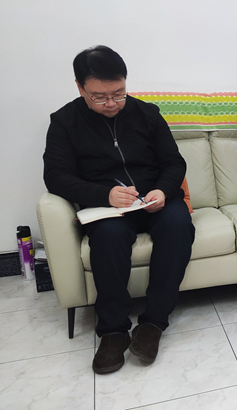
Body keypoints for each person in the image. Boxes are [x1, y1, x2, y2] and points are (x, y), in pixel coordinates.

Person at [43, 46, 195, 373]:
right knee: (109, 238)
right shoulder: (65, 122)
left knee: (179, 225)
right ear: (80, 87)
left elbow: (173, 162)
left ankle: (153, 323)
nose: (111, 103)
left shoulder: (147, 113)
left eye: (118, 94)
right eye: (99, 97)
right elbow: (55, 177)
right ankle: (113, 331)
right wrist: (105, 194)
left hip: (153, 200)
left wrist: (162, 190)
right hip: (107, 208)